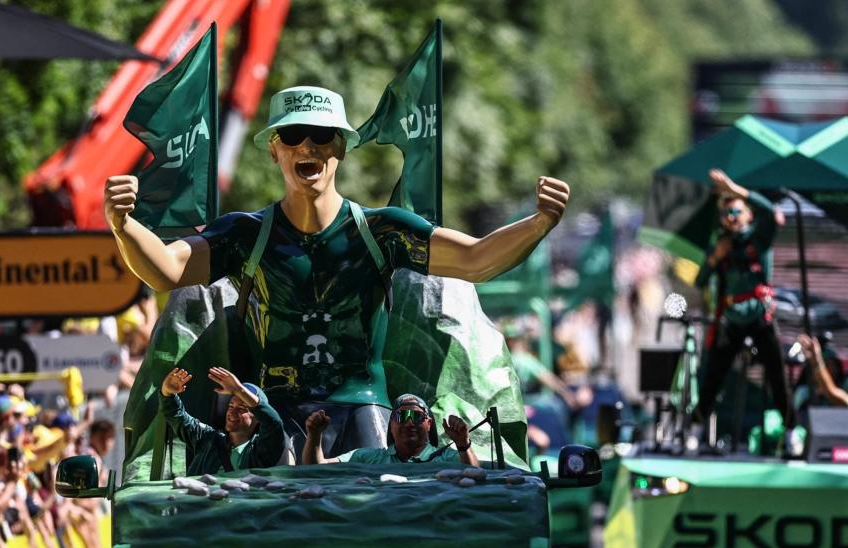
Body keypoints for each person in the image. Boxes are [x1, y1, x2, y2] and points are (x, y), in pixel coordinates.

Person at [105, 85, 569, 456]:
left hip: (364, 408)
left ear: (342, 148)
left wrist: (539, 223)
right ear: (274, 150)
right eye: (293, 135)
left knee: (373, 524)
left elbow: (475, 260)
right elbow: (166, 270)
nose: (307, 145)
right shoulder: (245, 236)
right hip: (274, 412)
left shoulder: (383, 232)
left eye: (322, 136)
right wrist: (123, 225)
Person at [693, 168, 793, 449]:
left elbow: (771, 213)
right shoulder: (720, 244)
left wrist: (736, 190)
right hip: (733, 318)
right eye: (727, 214)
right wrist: (714, 259)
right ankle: (696, 428)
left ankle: (790, 430)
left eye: (737, 212)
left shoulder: (759, 239)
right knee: (713, 375)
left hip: (760, 316)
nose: (732, 219)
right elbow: (701, 280)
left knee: (776, 375)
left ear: (748, 214)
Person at [159, 366, 287, 474]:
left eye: (242, 408)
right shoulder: (208, 439)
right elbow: (176, 416)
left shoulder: (262, 451)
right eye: (231, 406)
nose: (232, 411)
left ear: (258, 418)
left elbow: (273, 423)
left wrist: (239, 390)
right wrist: (167, 393)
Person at [302, 393, 479, 466]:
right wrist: (314, 435)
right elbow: (316, 469)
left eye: (416, 417)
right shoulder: (366, 458)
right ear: (391, 425)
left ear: (429, 424)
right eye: (402, 417)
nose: (409, 423)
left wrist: (463, 444)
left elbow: (474, 475)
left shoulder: (447, 458)